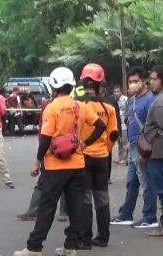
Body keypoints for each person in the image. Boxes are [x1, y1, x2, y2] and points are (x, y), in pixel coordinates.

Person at [14, 67, 106, 256]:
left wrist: (38, 162)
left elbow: (46, 138)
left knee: (47, 206)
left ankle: (34, 247)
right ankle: (71, 246)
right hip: (78, 164)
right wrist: (85, 143)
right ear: (72, 85)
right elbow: (100, 126)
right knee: (75, 207)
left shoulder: (52, 107)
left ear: (53, 86)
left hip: (55, 166)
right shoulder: (80, 106)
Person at [110, 66, 158, 229]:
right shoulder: (133, 99)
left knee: (147, 183)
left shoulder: (151, 100)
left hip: (144, 148)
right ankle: (126, 214)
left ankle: (150, 217)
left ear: (144, 81)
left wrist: (148, 148)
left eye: (135, 81)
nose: (132, 85)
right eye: (130, 82)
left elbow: (153, 127)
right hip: (133, 146)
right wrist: (131, 143)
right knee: (131, 182)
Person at [76, 63, 118, 249]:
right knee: (102, 197)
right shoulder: (109, 105)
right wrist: (106, 150)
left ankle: (85, 238)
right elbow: (113, 134)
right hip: (102, 157)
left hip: (82, 157)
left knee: (84, 197)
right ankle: (103, 237)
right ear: (101, 83)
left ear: (83, 82)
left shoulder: (77, 105)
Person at [16, 98, 68, 222]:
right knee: (65, 180)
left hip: (53, 149)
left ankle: (36, 211)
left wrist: (38, 161)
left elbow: (44, 135)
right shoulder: (72, 104)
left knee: (45, 181)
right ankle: (63, 212)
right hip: (66, 148)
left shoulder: (50, 106)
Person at [142, 65, 163, 237]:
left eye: (155, 79)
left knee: (160, 190)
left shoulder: (159, 103)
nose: (152, 82)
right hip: (156, 151)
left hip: (157, 153)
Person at [98, 81, 122, 184]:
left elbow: (117, 118)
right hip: (96, 130)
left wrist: (119, 133)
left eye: (102, 87)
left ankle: (107, 177)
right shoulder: (93, 100)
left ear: (105, 88)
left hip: (108, 131)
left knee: (108, 154)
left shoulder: (111, 100)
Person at [113, 85, 128, 166]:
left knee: (124, 142)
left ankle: (125, 159)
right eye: (115, 92)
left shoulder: (125, 99)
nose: (116, 93)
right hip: (117, 124)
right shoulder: (113, 100)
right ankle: (120, 156)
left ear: (121, 91)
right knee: (119, 141)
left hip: (124, 124)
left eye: (118, 91)